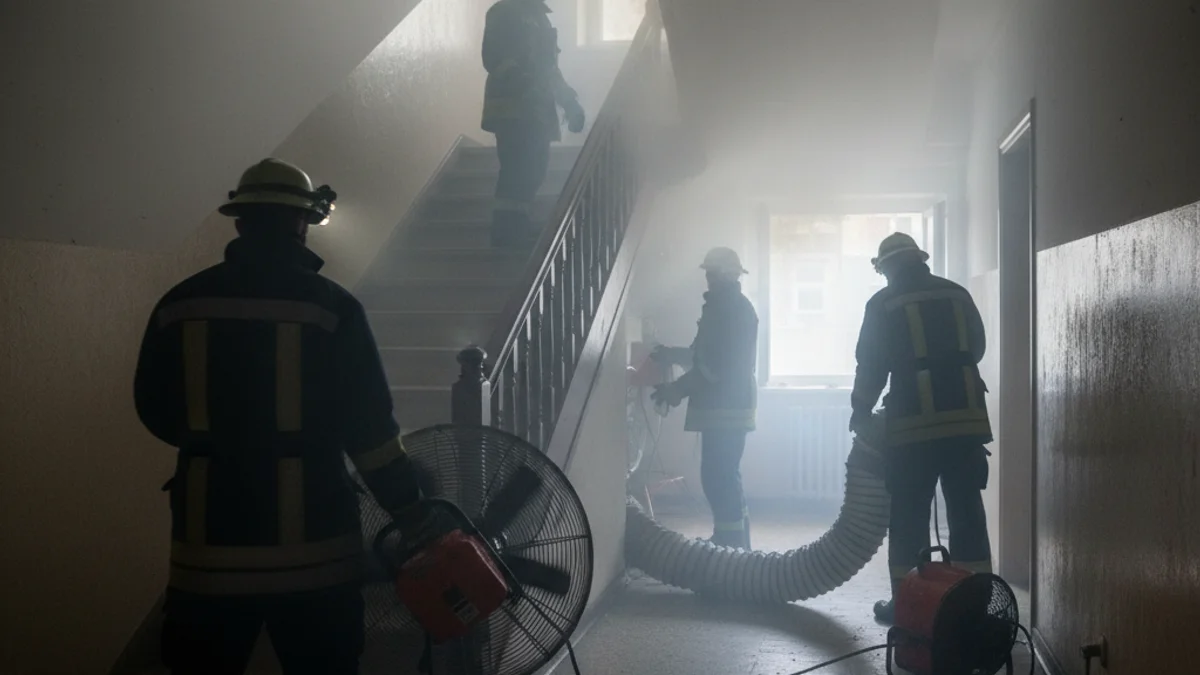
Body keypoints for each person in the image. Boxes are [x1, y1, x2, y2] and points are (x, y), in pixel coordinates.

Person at [134, 158, 423, 674]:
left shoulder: (180, 303)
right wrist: (409, 507)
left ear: (240, 221)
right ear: (302, 223)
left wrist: (214, 443)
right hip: (316, 558)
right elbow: (371, 430)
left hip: (206, 554)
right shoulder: (334, 309)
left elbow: (153, 410)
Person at [847, 232, 994, 624]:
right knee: (967, 517)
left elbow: (872, 364)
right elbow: (976, 348)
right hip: (966, 427)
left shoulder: (883, 303)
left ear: (886, 268)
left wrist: (860, 410)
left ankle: (909, 610)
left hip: (913, 433)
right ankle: (974, 608)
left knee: (910, 519)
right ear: (919, 259)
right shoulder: (957, 293)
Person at [650, 247, 759, 550]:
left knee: (718, 478)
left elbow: (714, 368)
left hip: (726, 408)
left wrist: (676, 390)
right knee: (725, 476)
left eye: (711, 274)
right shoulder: (725, 307)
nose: (707, 280)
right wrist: (671, 354)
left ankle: (729, 545)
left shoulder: (729, 309)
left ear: (724, 275)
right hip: (728, 407)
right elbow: (704, 357)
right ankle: (737, 543)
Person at [481, 0, 586, 248]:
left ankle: (517, 225)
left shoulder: (540, 18)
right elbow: (493, 57)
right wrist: (523, 82)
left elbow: (549, 68)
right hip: (512, 109)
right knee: (517, 171)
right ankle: (506, 232)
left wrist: (570, 102)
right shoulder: (503, 12)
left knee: (535, 170)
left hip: (537, 110)